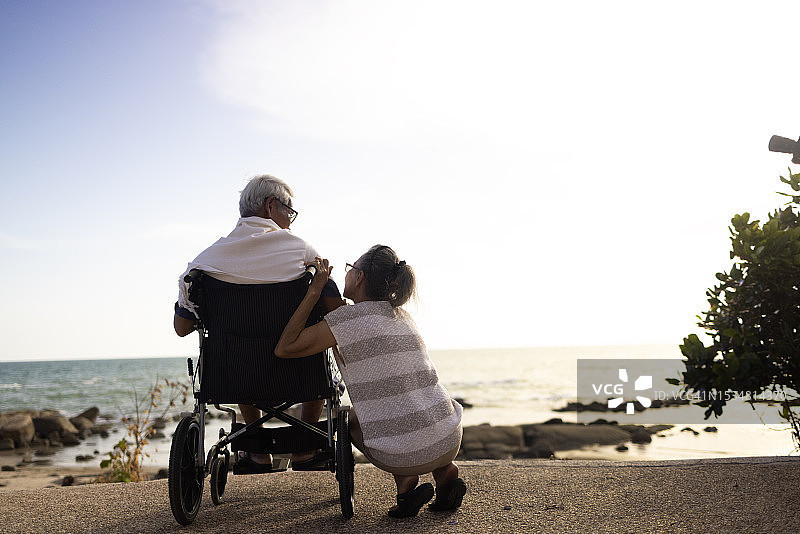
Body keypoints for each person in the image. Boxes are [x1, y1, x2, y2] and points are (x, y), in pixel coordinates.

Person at [275, 245, 466, 518]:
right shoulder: (403, 316)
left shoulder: (346, 321)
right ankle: (445, 472)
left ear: (359, 276)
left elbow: (285, 348)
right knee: (405, 403)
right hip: (449, 438)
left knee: (352, 420)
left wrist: (314, 291)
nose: (346, 273)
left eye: (349, 268)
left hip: (405, 456)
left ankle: (406, 482)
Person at [173, 174, 344, 473]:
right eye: (289, 212)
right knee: (318, 338)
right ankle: (305, 448)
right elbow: (336, 312)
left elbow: (182, 328)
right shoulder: (302, 253)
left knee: (239, 348)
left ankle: (256, 451)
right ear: (270, 206)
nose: (290, 222)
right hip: (298, 373)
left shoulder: (204, 263)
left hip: (236, 375)